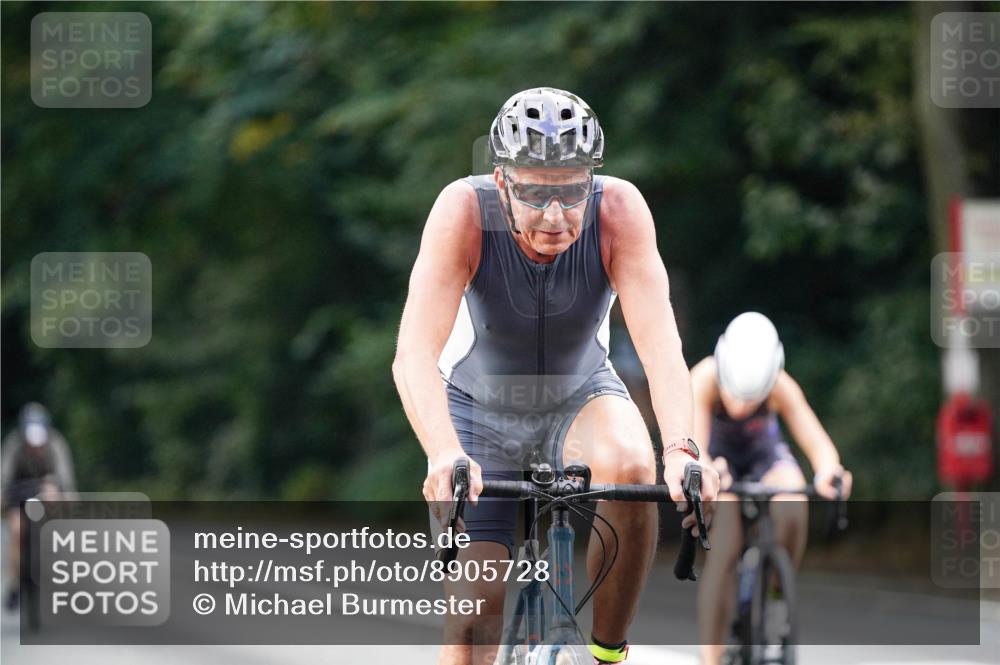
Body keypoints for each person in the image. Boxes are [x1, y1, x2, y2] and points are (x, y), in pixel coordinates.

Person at [393, 87, 720, 665]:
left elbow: (662, 347)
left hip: (580, 397)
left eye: (571, 193)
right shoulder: (463, 212)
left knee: (633, 464)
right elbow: (414, 354)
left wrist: (682, 450)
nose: (555, 215)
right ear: (501, 183)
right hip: (480, 413)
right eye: (535, 193)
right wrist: (443, 453)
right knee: (473, 621)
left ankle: (606, 653)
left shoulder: (618, 211)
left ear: (591, 182)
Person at [691, 312, 853, 665]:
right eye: (735, 396)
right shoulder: (703, 377)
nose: (742, 407)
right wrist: (709, 467)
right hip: (720, 465)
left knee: (793, 501)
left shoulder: (780, 384)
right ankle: (711, 657)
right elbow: (694, 444)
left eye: (753, 399)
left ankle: (778, 589)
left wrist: (829, 472)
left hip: (767, 458)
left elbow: (817, 443)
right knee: (724, 547)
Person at [1, 403, 77, 611]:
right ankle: (14, 584)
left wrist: (68, 498)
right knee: (17, 532)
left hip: (46, 491)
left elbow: (65, 476)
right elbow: (4, 477)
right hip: (18, 493)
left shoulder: (56, 444)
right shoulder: (13, 445)